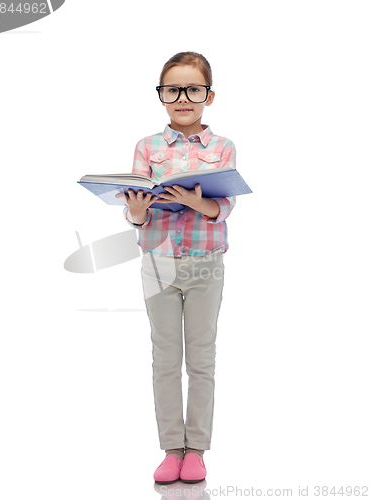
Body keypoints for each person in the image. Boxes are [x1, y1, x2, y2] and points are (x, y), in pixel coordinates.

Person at [115, 51, 237, 484]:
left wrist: (192, 201)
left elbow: (224, 205)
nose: (183, 97)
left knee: (201, 359)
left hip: (207, 263)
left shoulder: (222, 147)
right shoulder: (147, 147)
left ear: (209, 95)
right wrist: (135, 212)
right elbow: (138, 214)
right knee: (165, 358)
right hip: (158, 263)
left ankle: (197, 450)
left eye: (193, 89)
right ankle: (171, 448)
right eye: (173, 89)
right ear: (162, 95)